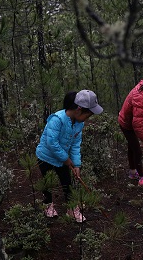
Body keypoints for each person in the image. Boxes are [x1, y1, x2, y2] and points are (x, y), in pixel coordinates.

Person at [36, 90, 103, 222]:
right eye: (88, 115)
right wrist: (66, 159)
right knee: (47, 184)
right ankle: (48, 205)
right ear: (79, 110)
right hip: (46, 157)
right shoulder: (57, 120)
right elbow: (51, 143)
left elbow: (76, 144)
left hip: (62, 159)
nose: (87, 118)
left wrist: (76, 164)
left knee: (67, 183)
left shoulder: (79, 124)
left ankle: (71, 209)